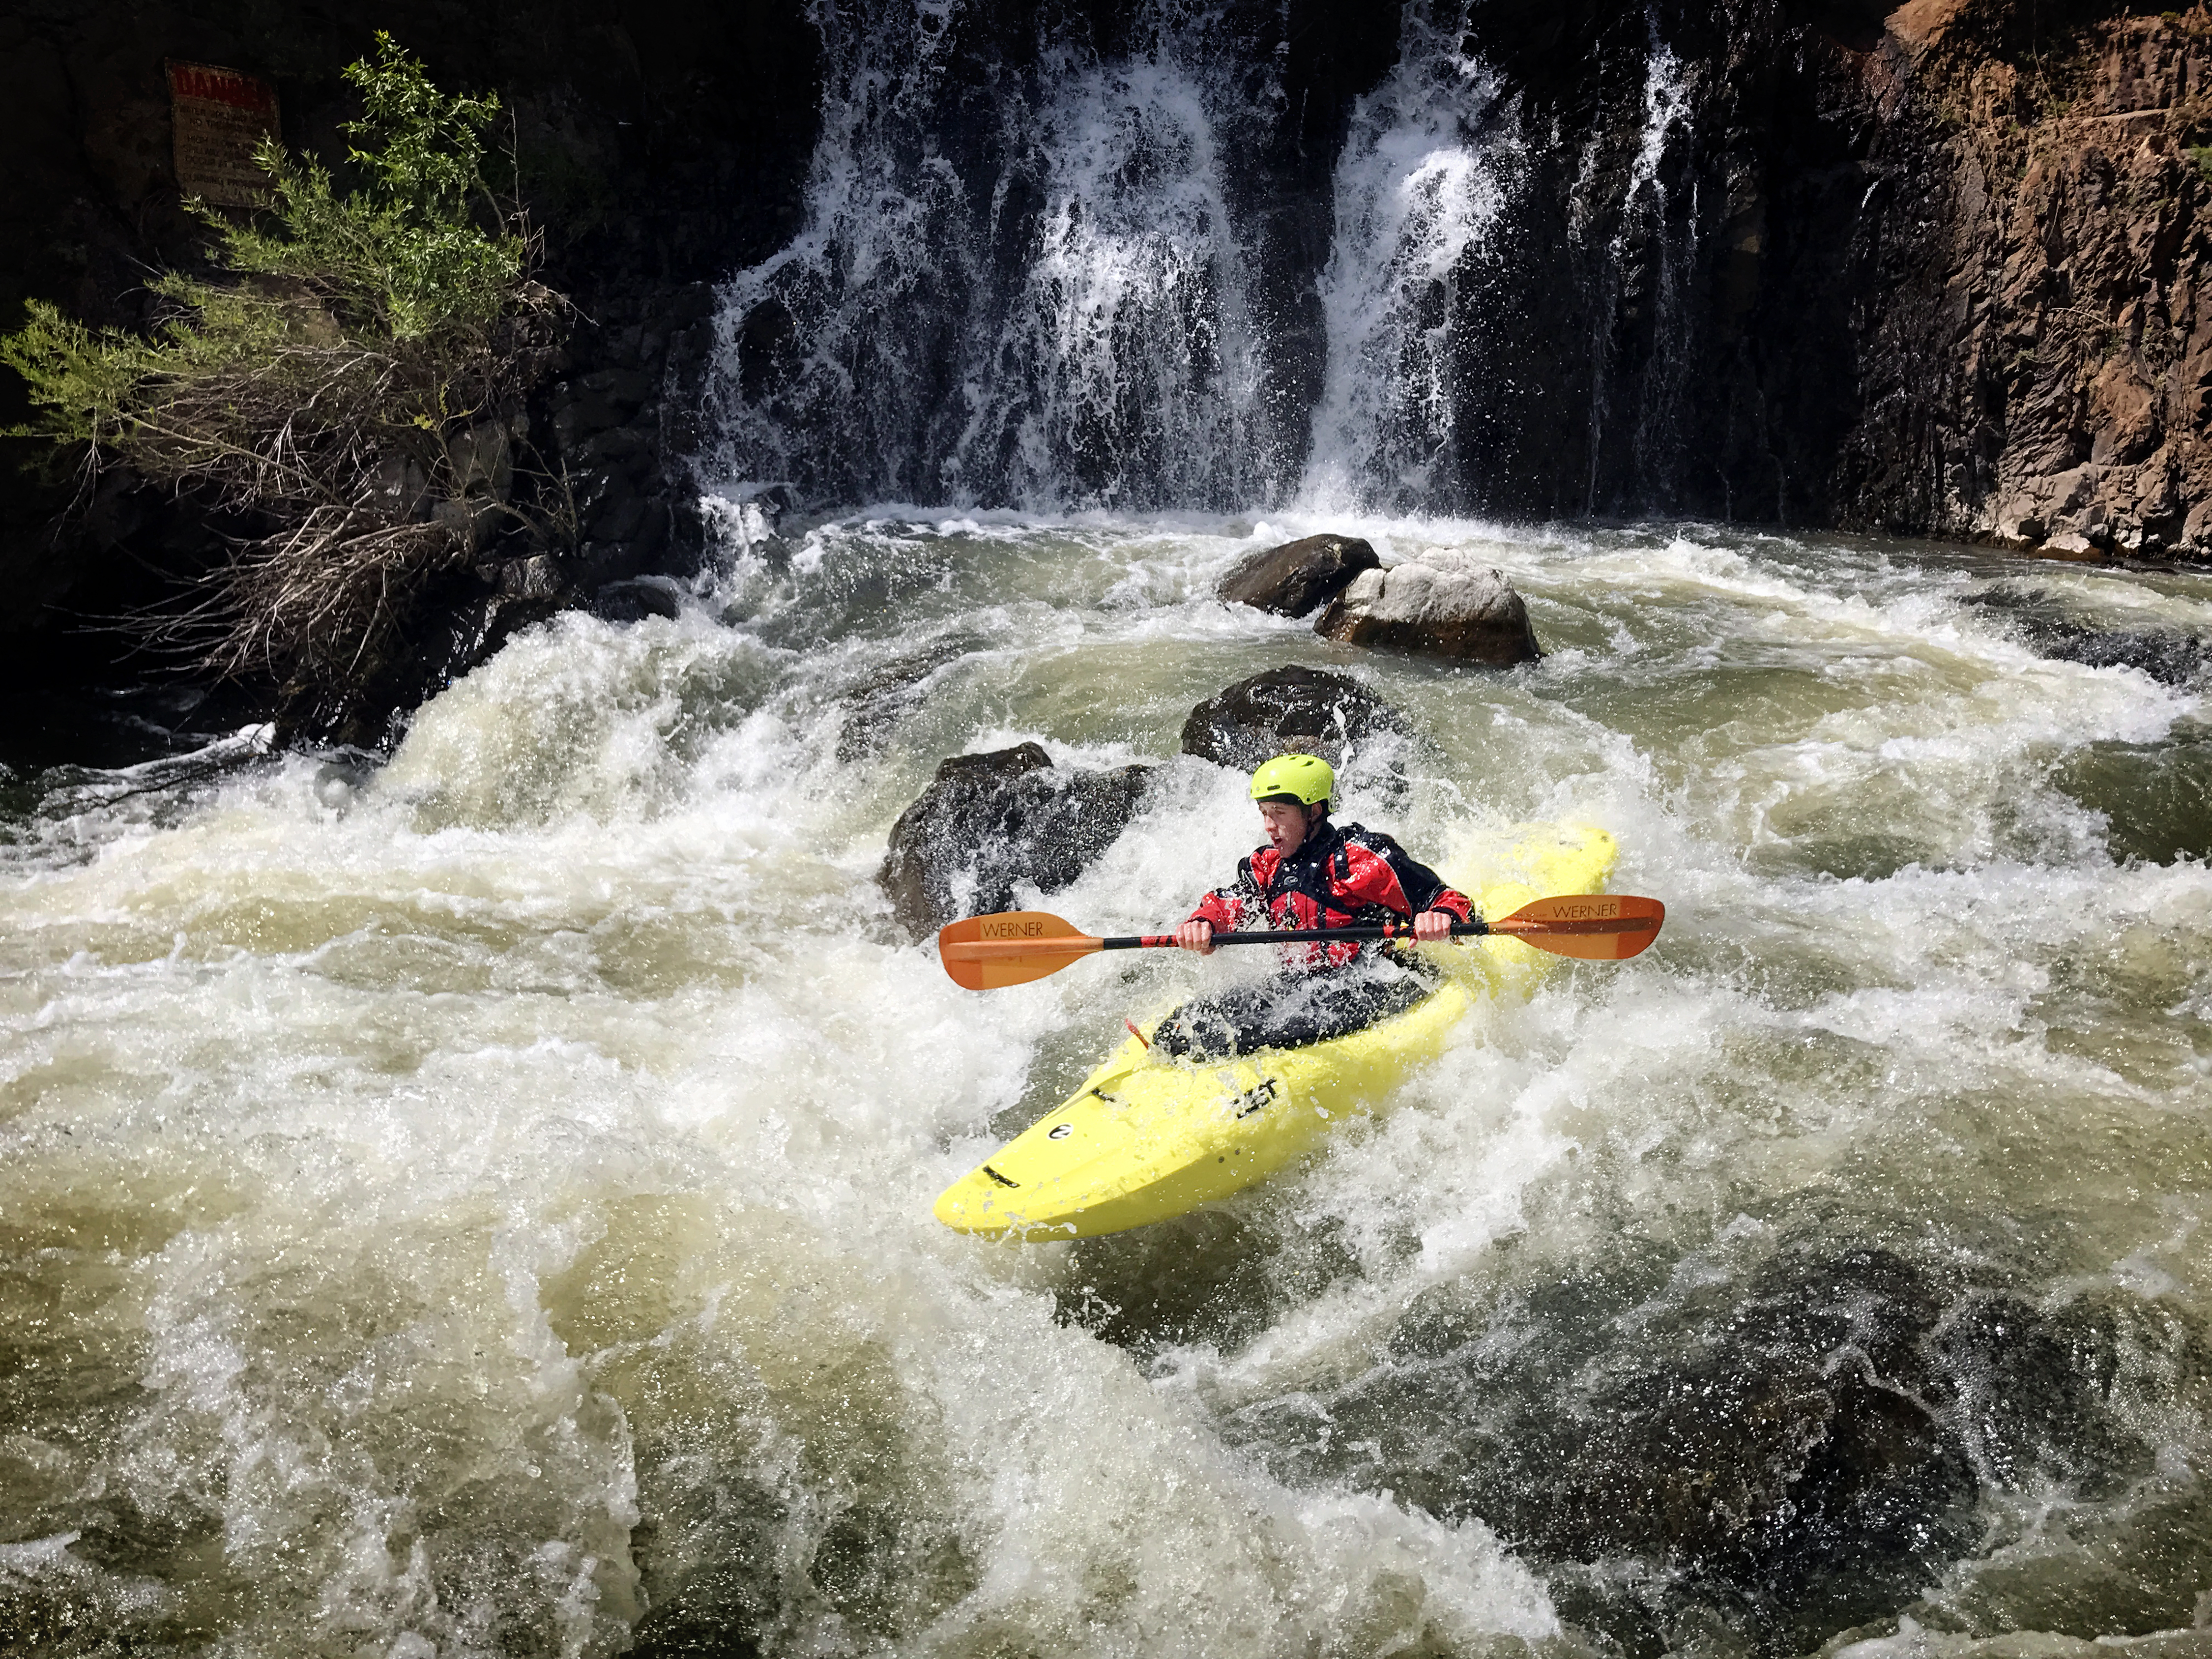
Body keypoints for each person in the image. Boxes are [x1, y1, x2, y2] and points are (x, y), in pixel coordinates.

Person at [1156, 753, 1473, 1060]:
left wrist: (1440, 917)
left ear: (1314, 812)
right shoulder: (1266, 866)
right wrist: (1204, 922)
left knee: (1277, 1030)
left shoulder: (1360, 860)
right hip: (1305, 985)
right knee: (1192, 1021)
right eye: (1264, 812)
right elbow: (1230, 904)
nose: (1268, 825)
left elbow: (1445, 899)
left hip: (1373, 978)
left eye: (1279, 813)